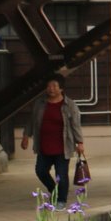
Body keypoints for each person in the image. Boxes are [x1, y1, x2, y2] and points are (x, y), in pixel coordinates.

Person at [21, 73, 84, 208]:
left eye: (54, 86)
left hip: (62, 146)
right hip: (44, 145)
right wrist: (26, 136)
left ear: (61, 89)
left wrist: (80, 143)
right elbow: (31, 121)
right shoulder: (40, 103)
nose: (51, 89)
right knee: (40, 171)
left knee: (61, 174)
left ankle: (61, 200)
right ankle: (54, 191)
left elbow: (75, 125)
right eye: (49, 86)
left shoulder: (69, 105)